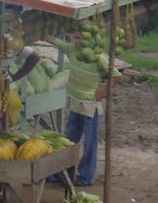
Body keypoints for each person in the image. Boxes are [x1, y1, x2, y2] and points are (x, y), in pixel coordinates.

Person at [46, 31, 119, 186]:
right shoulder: (71, 49)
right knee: (68, 140)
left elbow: (116, 75)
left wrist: (103, 92)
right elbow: (53, 39)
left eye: (80, 38)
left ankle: (86, 176)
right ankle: (61, 172)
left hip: (89, 106)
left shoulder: (97, 57)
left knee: (90, 142)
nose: (76, 41)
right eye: (75, 37)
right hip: (74, 103)